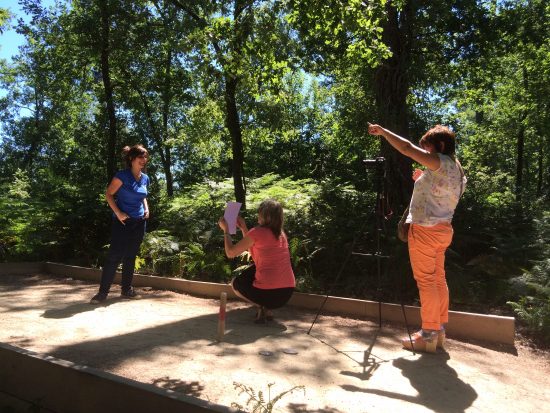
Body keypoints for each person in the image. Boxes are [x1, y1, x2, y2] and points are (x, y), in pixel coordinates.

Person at [368, 123, 466, 352]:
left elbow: (405, 148)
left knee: (427, 281)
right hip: (443, 230)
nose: (425, 154)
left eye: (428, 149)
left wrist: (383, 131)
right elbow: (443, 192)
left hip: (425, 230)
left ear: (440, 146)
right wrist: (423, 178)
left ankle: (428, 334)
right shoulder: (456, 168)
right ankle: (439, 331)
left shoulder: (440, 161)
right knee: (439, 279)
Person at [218, 199, 296, 323]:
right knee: (256, 269)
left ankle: (263, 306)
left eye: (260, 213)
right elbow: (253, 249)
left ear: (266, 216)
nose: (258, 216)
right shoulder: (281, 234)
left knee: (235, 284)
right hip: (286, 293)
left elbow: (230, 253)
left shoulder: (258, 232)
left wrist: (226, 230)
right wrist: (243, 227)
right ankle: (267, 309)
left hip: (267, 294)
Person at [90, 145, 150, 304]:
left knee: (130, 256)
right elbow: (109, 194)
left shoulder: (145, 178)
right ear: (132, 159)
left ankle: (126, 289)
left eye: (145, 157)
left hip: (139, 223)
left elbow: (142, 195)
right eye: (140, 157)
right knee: (114, 257)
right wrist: (118, 213)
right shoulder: (121, 176)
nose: (144, 160)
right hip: (122, 222)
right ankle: (102, 293)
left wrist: (146, 208)